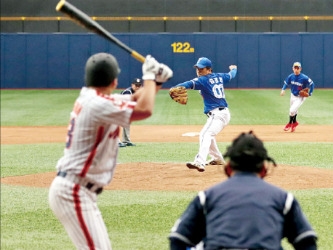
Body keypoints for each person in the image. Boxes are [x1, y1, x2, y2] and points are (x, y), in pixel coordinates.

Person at [48, 52, 172, 250]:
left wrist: (156, 82)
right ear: (115, 81)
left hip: (78, 190)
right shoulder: (98, 104)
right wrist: (149, 76)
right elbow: (144, 109)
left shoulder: (92, 98)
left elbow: (135, 98)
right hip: (73, 192)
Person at [169, 131, 318, 250]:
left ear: (228, 168)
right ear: (264, 169)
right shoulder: (283, 198)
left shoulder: (207, 197)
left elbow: (178, 239)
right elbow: (306, 241)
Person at [170, 57, 237, 172]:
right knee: (208, 135)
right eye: (197, 68)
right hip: (222, 113)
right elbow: (231, 75)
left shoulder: (203, 80)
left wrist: (175, 87)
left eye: (201, 68)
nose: (198, 70)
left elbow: (188, 84)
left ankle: (199, 162)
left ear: (209, 69)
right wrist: (234, 68)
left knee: (205, 135)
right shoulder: (220, 76)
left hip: (218, 114)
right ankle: (217, 158)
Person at [280, 62, 314, 132]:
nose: (296, 69)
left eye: (297, 68)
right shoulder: (291, 76)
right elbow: (286, 83)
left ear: (300, 69)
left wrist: (310, 93)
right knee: (293, 111)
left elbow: (312, 84)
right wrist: (283, 89)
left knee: (292, 110)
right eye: (295, 68)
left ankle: (289, 123)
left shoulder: (304, 77)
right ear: (292, 68)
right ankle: (294, 123)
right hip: (293, 95)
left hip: (300, 97)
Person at [118, 78, 143, 147]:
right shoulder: (128, 92)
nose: (137, 87)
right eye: (136, 85)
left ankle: (126, 141)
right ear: (132, 85)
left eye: (139, 85)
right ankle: (116, 142)